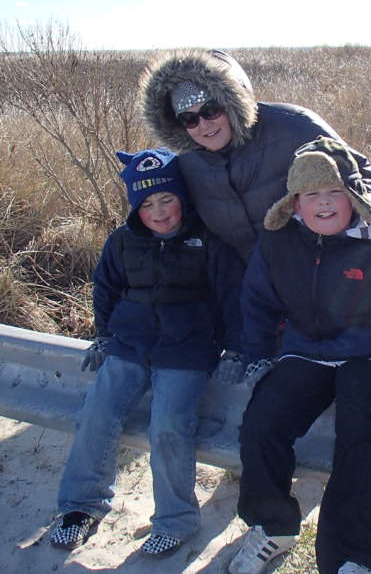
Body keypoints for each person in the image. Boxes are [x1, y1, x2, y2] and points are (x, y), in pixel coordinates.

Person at [226, 137, 371, 574]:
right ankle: (272, 526)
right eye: (312, 194)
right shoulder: (278, 246)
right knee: (262, 422)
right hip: (306, 352)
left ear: (352, 199)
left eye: (334, 193)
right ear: (296, 204)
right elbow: (257, 303)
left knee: (361, 438)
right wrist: (255, 353)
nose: (323, 203)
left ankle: (353, 557)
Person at [49, 149, 244, 557]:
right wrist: (104, 335)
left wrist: (236, 349)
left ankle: (176, 519)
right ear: (135, 207)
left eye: (167, 199)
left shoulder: (208, 241)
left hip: (188, 349)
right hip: (130, 343)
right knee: (98, 411)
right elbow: (104, 289)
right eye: (147, 204)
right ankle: (80, 506)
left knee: (168, 425)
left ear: (182, 198)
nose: (158, 212)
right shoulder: (123, 242)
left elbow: (232, 298)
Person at [138, 48, 371, 264]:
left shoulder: (293, 126)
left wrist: (364, 226)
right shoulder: (187, 161)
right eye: (189, 119)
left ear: (233, 101)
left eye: (211, 110)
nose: (203, 124)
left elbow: (358, 172)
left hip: (320, 270)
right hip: (253, 289)